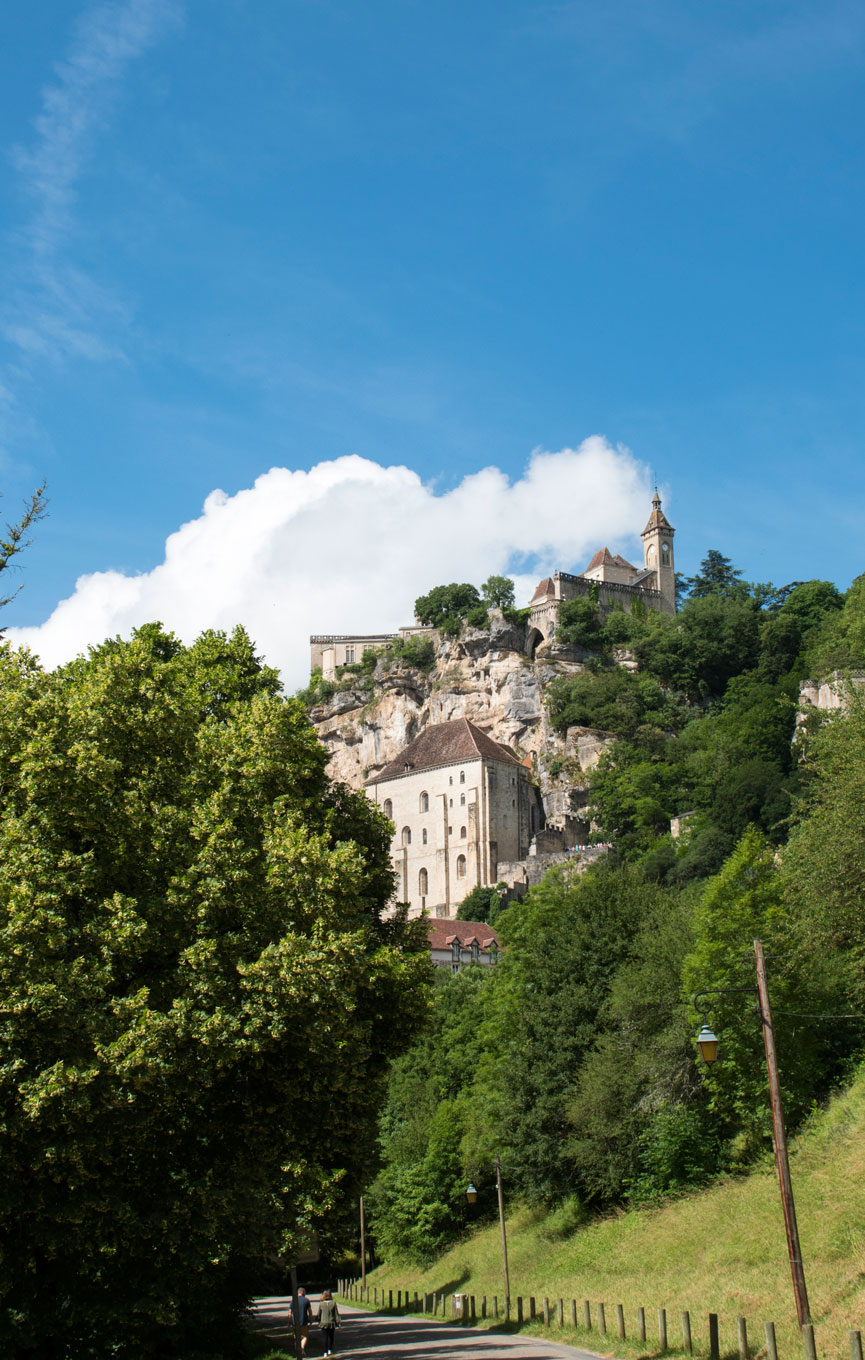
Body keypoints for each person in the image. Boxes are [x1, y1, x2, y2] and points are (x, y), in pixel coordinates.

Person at [288, 1286, 314, 1355]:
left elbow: (289, 1312)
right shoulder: (306, 1300)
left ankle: (298, 1352)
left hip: (295, 1323)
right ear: (303, 1292)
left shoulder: (293, 1300)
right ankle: (302, 1348)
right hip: (304, 1322)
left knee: (297, 1337)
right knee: (305, 1336)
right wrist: (310, 1320)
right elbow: (310, 1311)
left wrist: (289, 1322)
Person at [316, 1289, 341, 1357]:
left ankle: (325, 1352)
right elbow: (336, 1314)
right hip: (331, 1322)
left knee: (325, 1338)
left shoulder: (321, 1304)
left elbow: (319, 1314)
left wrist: (318, 1320)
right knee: (331, 1337)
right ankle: (330, 1349)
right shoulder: (333, 1303)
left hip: (323, 1323)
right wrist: (338, 1322)